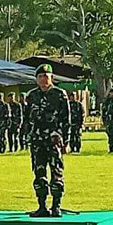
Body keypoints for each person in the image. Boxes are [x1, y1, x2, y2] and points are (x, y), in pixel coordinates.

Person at [24, 64, 70, 217]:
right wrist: (26, 136)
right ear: (36, 79)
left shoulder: (59, 94)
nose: (43, 79)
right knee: (39, 173)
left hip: (54, 140)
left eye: (46, 76)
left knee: (56, 172)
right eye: (40, 77)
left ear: (52, 78)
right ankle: (42, 206)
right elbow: (26, 119)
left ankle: (56, 206)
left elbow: (66, 119)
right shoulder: (32, 96)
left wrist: (66, 141)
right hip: (37, 140)